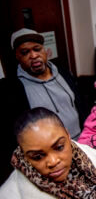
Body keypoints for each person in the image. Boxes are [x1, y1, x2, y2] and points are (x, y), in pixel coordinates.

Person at [0, 28, 87, 184]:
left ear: (45, 50)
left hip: (82, 145)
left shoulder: (64, 73)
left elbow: (79, 106)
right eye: (25, 52)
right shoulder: (13, 89)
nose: (33, 55)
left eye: (37, 49)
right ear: (17, 56)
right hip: (51, 160)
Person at [0, 107, 96, 199]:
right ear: (24, 156)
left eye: (59, 147)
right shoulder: (9, 194)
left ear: (68, 136)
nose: (53, 162)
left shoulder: (93, 157)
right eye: (38, 157)